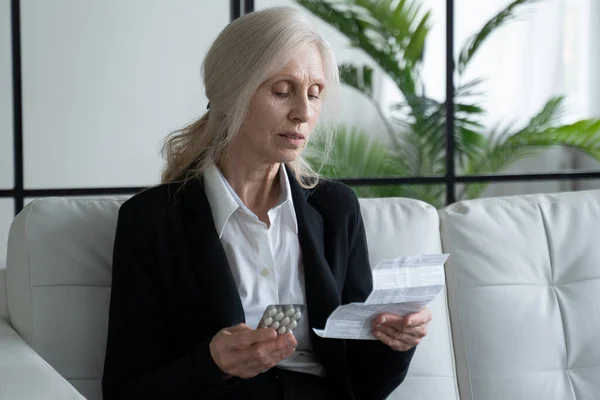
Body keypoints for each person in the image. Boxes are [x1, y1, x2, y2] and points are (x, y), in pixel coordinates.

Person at [101, 6, 432, 400]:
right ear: (229, 94)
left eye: (315, 93)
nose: (304, 113)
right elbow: (126, 391)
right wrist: (212, 364)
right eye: (282, 91)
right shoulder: (152, 221)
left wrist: (396, 341)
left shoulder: (336, 209)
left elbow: (364, 384)